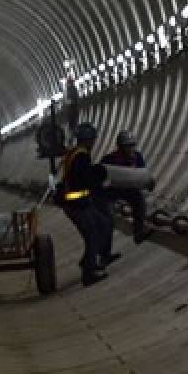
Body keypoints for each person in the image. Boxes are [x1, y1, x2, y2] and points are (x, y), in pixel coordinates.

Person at [59, 122, 118, 286]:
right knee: (92, 235)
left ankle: (90, 261)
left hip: (78, 202)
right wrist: (97, 178)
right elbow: (83, 179)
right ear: (89, 139)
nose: (94, 142)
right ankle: (88, 274)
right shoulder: (82, 155)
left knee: (104, 223)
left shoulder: (74, 152)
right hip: (77, 204)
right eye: (93, 139)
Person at [100, 131, 153, 243]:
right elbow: (101, 175)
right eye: (127, 146)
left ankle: (139, 232)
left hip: (128, 190)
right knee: (107, 216)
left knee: (139, 201)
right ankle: (104, 248)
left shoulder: (137, 156)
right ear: (120, 147)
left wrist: (148, 181)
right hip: (112, 191)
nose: (130, 149)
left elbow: (142, 173)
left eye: (132, 145)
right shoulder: (109, 159)